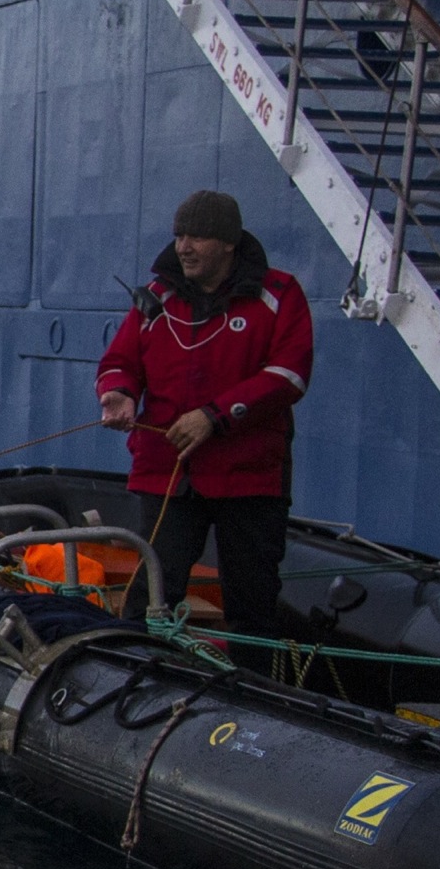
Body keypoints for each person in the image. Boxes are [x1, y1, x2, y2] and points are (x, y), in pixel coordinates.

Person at [95, 190, 315, 641]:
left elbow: (289, 374)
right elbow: (120, 361)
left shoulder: (278, 295)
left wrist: (215, 416)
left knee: (252, 604)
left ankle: (253, 679)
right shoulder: (156, 298)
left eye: (197, 237)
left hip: (249, 477)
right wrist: (118, 392)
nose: (183, 247)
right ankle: (139, 668)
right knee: (151, 596)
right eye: (179, 236)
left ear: (229, 243)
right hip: (168, 473)